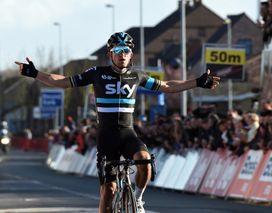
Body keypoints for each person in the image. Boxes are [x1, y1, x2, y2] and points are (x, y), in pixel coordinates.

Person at [15, 32, 220, 213]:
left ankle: (138, 200)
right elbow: (62, 81)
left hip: (128, 133)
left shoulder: (136, 75)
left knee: (145, 161)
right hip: (107, 137)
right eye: (118, 50)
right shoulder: (97, 73)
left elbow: (167, 86)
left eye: (126, 50)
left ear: (131, 54)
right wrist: (35, 73)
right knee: (109, 190)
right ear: (110, 53)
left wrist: (197, 82)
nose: (122, 54)